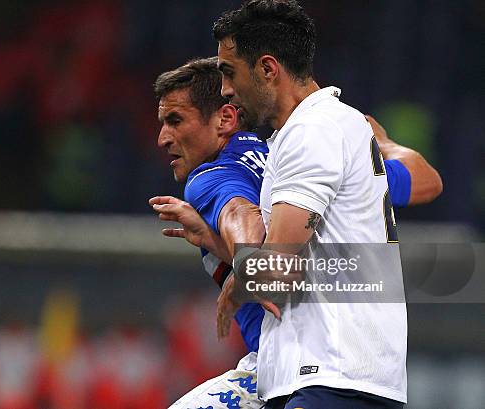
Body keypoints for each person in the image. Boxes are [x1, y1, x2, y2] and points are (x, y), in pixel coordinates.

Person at [151, 52, 441, 408]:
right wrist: (382, 144)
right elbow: (427, 181)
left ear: (225, 119)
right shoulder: (292, 156)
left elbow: (265, 259)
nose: (163, 138)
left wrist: (215, 243)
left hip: (291, 366)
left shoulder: (211, 178)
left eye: (175, 121)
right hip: (351, 359)